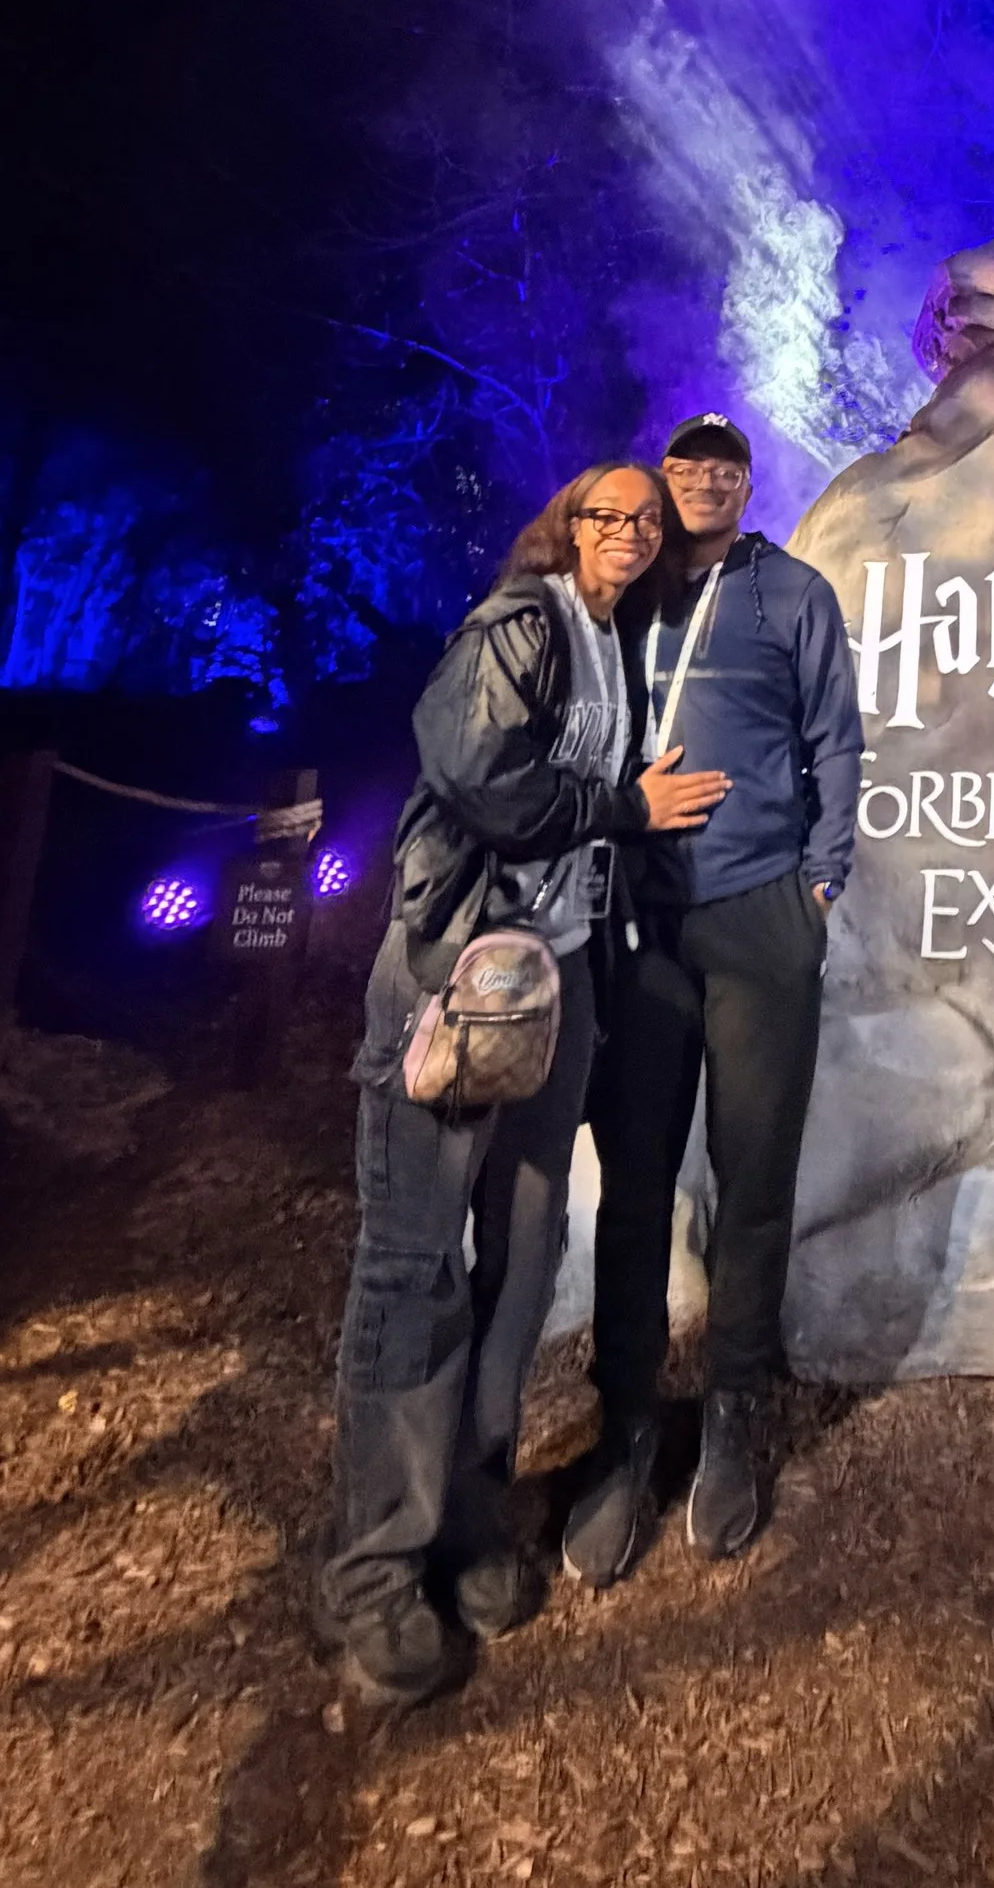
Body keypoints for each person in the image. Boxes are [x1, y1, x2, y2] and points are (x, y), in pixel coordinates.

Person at [318, 461, 728, 1708]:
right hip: (460, 979)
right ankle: (375, 1570)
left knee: (523, 1259)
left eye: (646, 521)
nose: (629, 532)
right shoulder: (520, 623)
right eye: (608, 514)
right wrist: (623, 807)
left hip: (558, 986)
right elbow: (474, 771)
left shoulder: (616, 645)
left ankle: (467, 1516)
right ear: (566, 525)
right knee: (412, 1266)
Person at [564, 412, 862, 1578]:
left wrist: (821, 882)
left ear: (746, 485)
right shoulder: (627, 593)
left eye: (723, 469)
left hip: (758, 917)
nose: (703, 482)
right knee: (636, 1181)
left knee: (754, 1175)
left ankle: (736, 1405)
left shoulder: (790, 593)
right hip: (640, 924)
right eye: (685, 465)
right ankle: (628, 1421)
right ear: (662, 476)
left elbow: (836, 738)